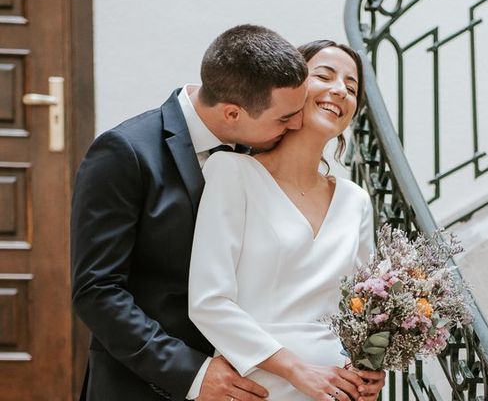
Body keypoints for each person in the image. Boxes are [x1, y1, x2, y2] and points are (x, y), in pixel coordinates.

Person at [71, 25, 310, 401]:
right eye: (284, 118)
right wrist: (193, 374)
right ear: (232, 113)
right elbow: (97, 291)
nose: (297, 125)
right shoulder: (125, 152)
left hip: (248, 381)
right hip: (143, 385)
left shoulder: (260, 154)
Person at [189, 40, 386, 401]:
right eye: (324, 76)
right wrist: (298, 371)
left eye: (352, 86)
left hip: (335, 391)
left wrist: (370, 366)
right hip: (258, 385)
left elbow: (362, 309)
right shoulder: (232, 173)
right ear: (293, 88)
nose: (340, 90)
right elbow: (208, 301)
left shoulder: (355, 201)